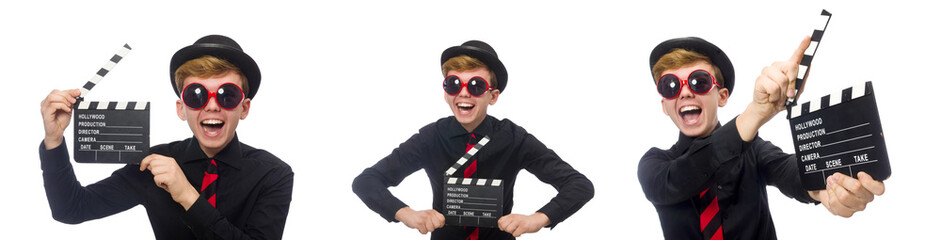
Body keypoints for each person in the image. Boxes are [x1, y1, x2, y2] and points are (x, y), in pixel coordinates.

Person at [38, 35, 293, 239]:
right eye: (197, 95)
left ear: (244, 108)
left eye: (227, 95)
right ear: (182, 109)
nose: (213, 106)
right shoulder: (153, 163)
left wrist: (187, 196)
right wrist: (53, 140)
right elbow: (70, 208)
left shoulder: (273, 174)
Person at [637, 36, 887, 239]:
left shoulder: (753, 150)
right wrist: (754, 113)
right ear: (664, 105)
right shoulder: (655, 164)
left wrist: (827, 187)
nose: (684, 94)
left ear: (722, 96)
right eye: (670, 86)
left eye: (698, 82)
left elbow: (791, 172)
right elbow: (677, 180)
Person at [352, 40, 594, 240]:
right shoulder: (430, 138)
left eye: (476, 85)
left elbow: (579, 186)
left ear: (493, 96)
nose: (464, 92)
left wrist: (537, 219)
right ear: (446, 93)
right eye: (454, 84)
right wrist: (405, 213)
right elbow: (367, 181)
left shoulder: (514, 139)